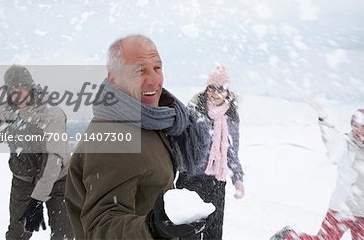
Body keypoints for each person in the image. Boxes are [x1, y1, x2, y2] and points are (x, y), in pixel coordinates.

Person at [65, 35, 214, 239]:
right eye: (139, 70)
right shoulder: (114, 137)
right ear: (113, 79)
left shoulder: (150, 122)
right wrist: (154, 228)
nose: (153, 79)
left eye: (157, 68)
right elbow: (101, 227)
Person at [0, 65, 74, 240]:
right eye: (13, 88)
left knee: (63, 234)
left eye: (22, 86)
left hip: (58, 180)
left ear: (31, 87)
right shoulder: (2, 112)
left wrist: (38, 200)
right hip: (23, 179)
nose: (18, 92)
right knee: (17, 233)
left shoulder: (51, 113)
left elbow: (53, 160)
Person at [271, 107, 364, 240]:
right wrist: (324, 118)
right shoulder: (346, 143)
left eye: (363, 126)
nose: (358, 130)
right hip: (342, 208)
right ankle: (288, 237)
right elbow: (330, 141)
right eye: (355, 126)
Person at [175, 64, 245, 240]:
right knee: (187, 232)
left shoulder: (231, 117)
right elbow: (181, 142)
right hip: (191, 178)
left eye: (220, 89)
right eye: (211, 88)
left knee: (213, 233)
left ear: (227, 92)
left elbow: (231, 152)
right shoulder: (194, 110)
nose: (215, 93)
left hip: (216, 182)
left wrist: (237, 178)